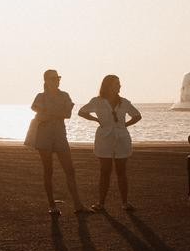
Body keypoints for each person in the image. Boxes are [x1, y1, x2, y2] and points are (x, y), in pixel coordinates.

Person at [28, 69, 89, 215]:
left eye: (58, 78)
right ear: (46, 81)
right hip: (44, 137)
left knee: (70, 170)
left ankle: (78, 204)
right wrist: (55, 113)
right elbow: (36, 110)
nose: (57, 80)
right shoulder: (40, 96)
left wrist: (48, 113)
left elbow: (67, 114)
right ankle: (52, 206)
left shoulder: (64, 95)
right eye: (54, 78)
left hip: (60, 136)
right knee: (48, 170)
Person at [78, 74, 142, 210]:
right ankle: (101, 203)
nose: (119, 86)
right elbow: (82, 112)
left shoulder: (124, 102)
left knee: (121, 171)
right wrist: (95, 120)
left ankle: (125, 203)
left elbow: (137, 115)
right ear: (108, 86)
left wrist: (125, 125)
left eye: (119, 84)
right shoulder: (97, 101)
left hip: (121, 138)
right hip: (104, 138)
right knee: (105, 171)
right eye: (116, 84)